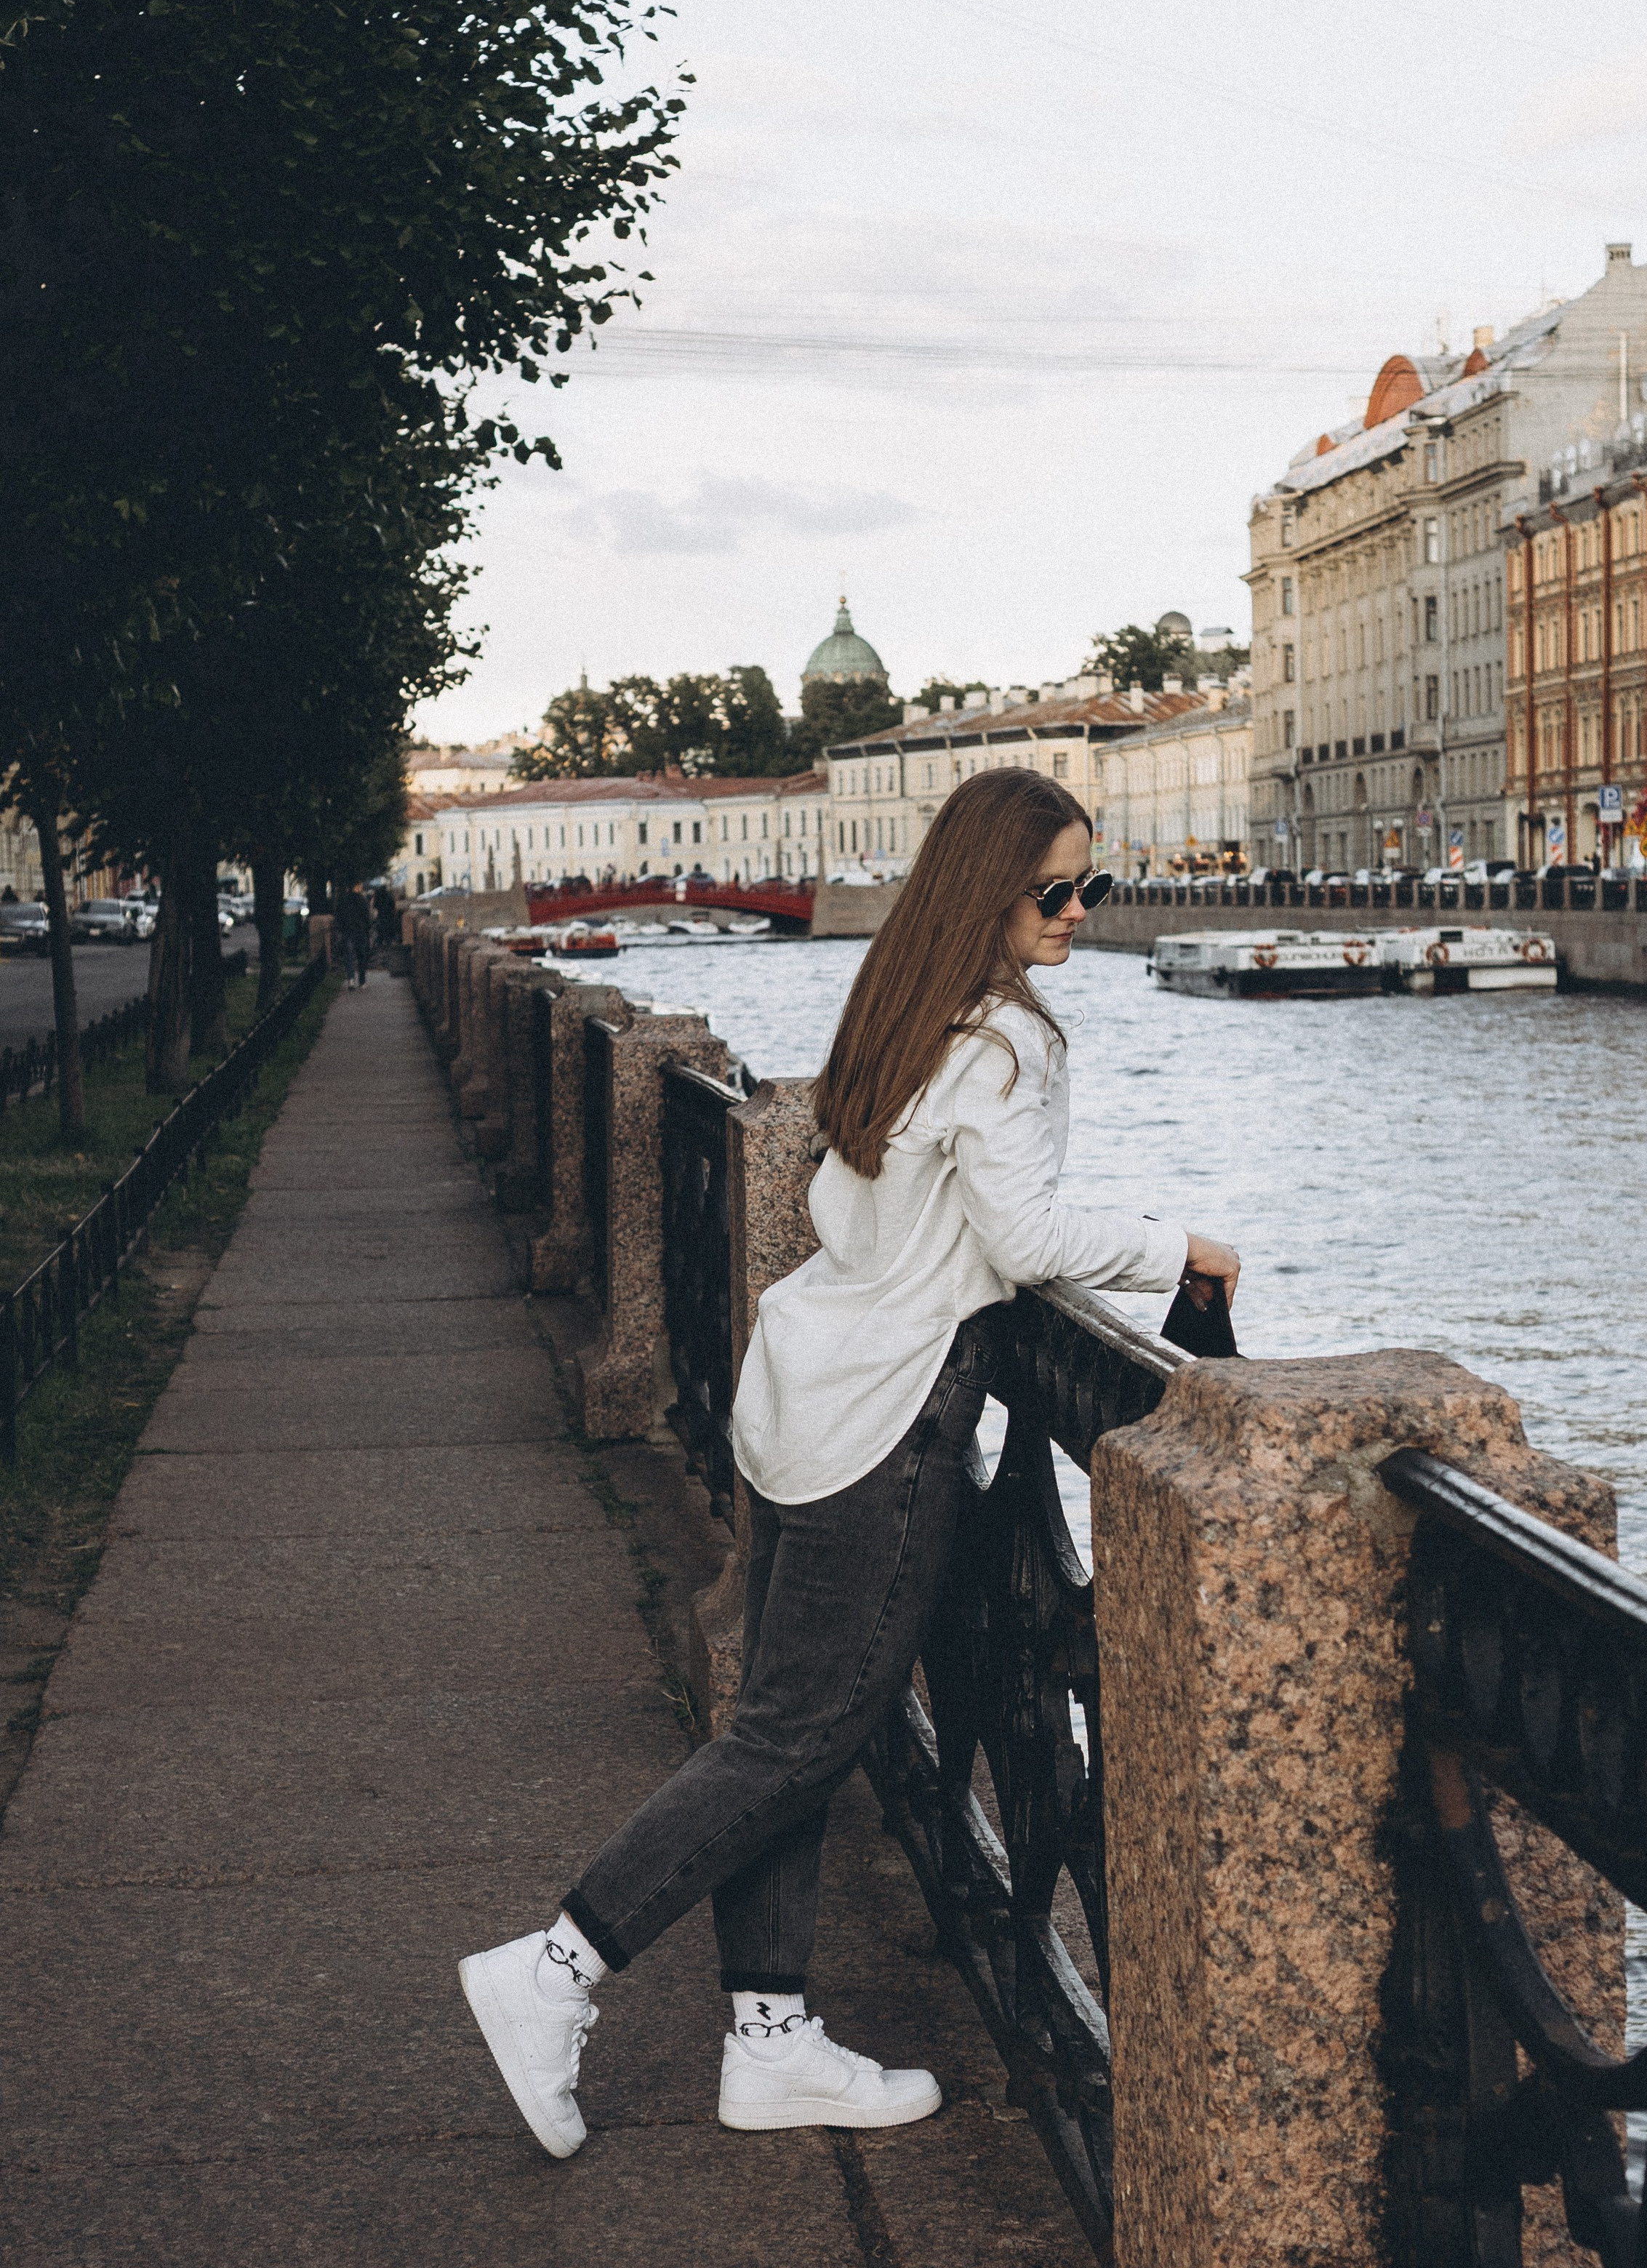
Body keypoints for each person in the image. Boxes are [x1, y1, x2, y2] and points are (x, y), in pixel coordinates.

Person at [458, 769, 1240, 2157]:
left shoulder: (900, 1012)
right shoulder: (1006, 1042)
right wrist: (1184, 1249)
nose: (1077, 912)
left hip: (802, 1392)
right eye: (1053, 890)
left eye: (1088, 888)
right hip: (887, 1419)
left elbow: (841, 1197)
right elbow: (1026, 1241)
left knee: (788, 1727)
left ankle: (769, 2040)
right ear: (985, 892)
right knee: (801, 1734)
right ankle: (557, 1968)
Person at [338, 884, 371, 987]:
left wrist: (342, 928)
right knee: (361, 956)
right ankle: (362, 981)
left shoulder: (344, 900)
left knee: (349, 956)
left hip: (348, 931)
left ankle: (351, 979)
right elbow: (367, 916)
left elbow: (339, 916)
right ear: (357, 887)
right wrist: (367, 928)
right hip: (360, 931)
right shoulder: (362, 900)